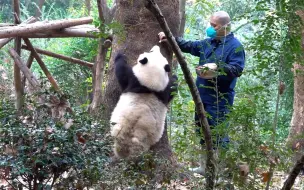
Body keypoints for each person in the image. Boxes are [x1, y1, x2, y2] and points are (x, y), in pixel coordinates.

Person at [158, 11, 245, 175]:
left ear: (226, 26)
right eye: (210, 24)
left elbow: (237, 69)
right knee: (201, 131)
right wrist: (170, 38)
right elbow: (189, 46)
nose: (210, 28)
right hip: (201, 97)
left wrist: (216, 68)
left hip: (220, 99)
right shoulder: (209, 43)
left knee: (218, 135)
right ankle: (204, 167)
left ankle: (219, 171)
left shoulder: (236, 46)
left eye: (214, 25)